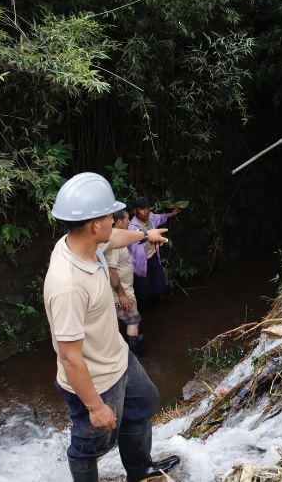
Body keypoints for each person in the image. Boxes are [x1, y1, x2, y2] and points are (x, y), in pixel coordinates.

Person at [45, 173, 180, 482]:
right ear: (95, 224)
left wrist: (147, 236)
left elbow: (115, 238)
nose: (116, 221)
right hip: (93, 378)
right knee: (89, 445)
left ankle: (139, 471)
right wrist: (94, 406)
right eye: (110, 216)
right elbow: (69, 357)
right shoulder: (67, 284)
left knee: (143, 403)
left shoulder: (87, 244)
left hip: (118, 359)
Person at [127, 197, 180, 311]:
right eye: (142, 209)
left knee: (160, 287)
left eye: (147, 208)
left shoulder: (151, 218)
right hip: (140, 265)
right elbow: (130, 251)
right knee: (143, 294)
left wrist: (172, 214)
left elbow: (161, 217)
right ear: (135, 211)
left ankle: (154, 308)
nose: (146, 211)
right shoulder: (132, 227)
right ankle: (145, 315)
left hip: (153, 258)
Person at [104, 209, 144, 358]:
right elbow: (111, 270)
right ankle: (136, 358)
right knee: (133, 322)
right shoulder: (115, 243)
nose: (129, 221)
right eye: (127, 219)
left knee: (115, 326)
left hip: (118, 293)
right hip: (122, 294)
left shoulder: (115, 239)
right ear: (119, 222)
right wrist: (122, 295)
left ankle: (120, 358)